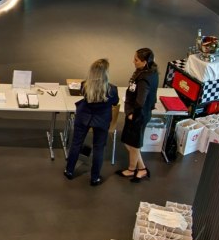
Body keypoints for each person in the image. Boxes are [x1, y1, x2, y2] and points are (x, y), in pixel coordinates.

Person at [64, 59, 119, 186]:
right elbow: (115, 102)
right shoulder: (112, 90)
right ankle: (95, 178)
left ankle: (69, 170)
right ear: (106, 73)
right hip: (101, 120)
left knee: (76, 143)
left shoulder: (84, 85)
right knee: (99, 148)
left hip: (84, 117)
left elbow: (84, 95)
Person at [119, 48, 158, 182]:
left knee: (133, 144)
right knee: (129, 142)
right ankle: (141, 168)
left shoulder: (143, 79)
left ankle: (132, 169)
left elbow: (140, 101)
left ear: (144, 62)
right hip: (142, 113)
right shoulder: (151, 72)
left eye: (136, 60)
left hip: (138, 115)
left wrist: (131, 113)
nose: (133, 61)